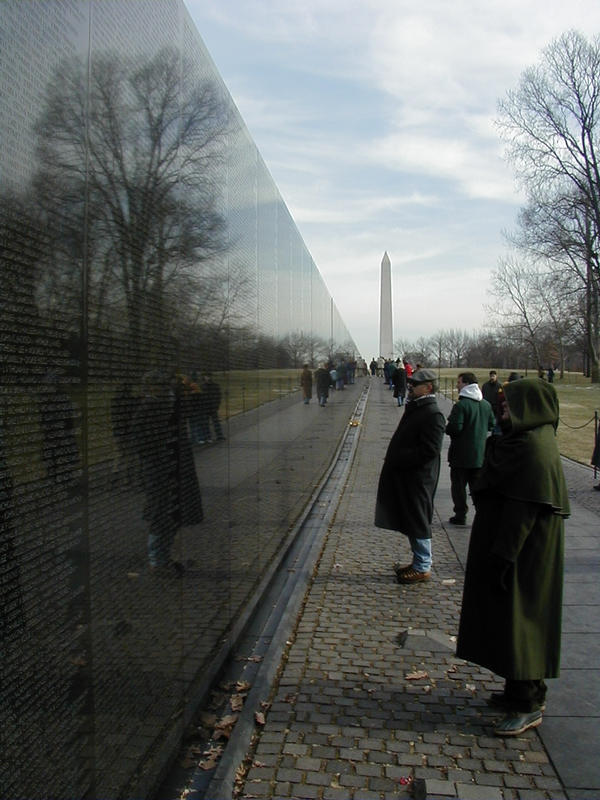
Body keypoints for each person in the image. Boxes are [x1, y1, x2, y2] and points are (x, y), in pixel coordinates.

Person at [456, 378, 570, 736]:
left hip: (524, 556)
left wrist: (503, 558)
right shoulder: (521, 441)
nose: (502, 406)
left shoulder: (534, 448)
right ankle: (517, 690)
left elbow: (523, 511)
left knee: (523, 622)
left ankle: (528, 703)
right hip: (514, 549)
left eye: (509, 403)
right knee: (510, 621)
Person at [374, 368, 445, 584]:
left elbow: (430, 450)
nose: (411, 386)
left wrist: (400, 458)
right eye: (411, 382)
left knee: (418, 520)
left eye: (416, 384)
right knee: (412, 519)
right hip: (409, 477)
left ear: (429, 387)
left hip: (418, 479)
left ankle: (423, 566)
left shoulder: (433, 413)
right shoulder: (418, 408)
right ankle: (418, 562)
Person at [445, 372, 495, 526]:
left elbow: (455, 428)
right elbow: (491, 424)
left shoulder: (461, 405)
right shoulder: (486, 405)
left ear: (466, 384)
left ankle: (460, 514)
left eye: (459, 382)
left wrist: (448, 429)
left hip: (460, 454)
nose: (457, 385)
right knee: (477, 487)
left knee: (459, 487)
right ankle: (482, 513)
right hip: (480, 454)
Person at [201, 372, 225, 440]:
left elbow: (218, 396)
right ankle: (208, 437)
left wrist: (217, 405)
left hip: (213, 406)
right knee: (206, 423)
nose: (207, 378)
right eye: (206, 376)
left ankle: (219, 435)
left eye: (208, 376)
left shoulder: (215, 385)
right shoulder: (202, 386)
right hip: (205, 407)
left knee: (216, 422)